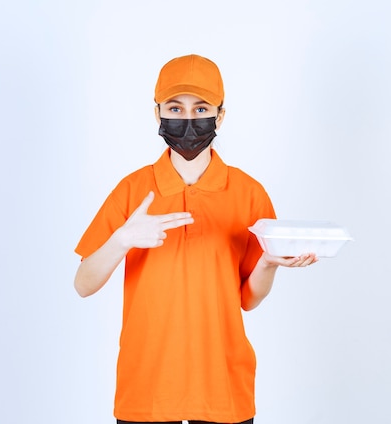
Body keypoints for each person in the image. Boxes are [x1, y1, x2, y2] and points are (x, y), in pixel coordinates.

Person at [74, 54, 317, 424]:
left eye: (200, 107)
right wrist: (122, 239)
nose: (187, 119)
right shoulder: (133, 191)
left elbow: (248, 300)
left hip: (222, 384)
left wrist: (267, 263)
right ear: (158, 114)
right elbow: (83, 284)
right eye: (175, 107)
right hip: (148, 387)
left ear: (220, 115)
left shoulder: (249, 193)